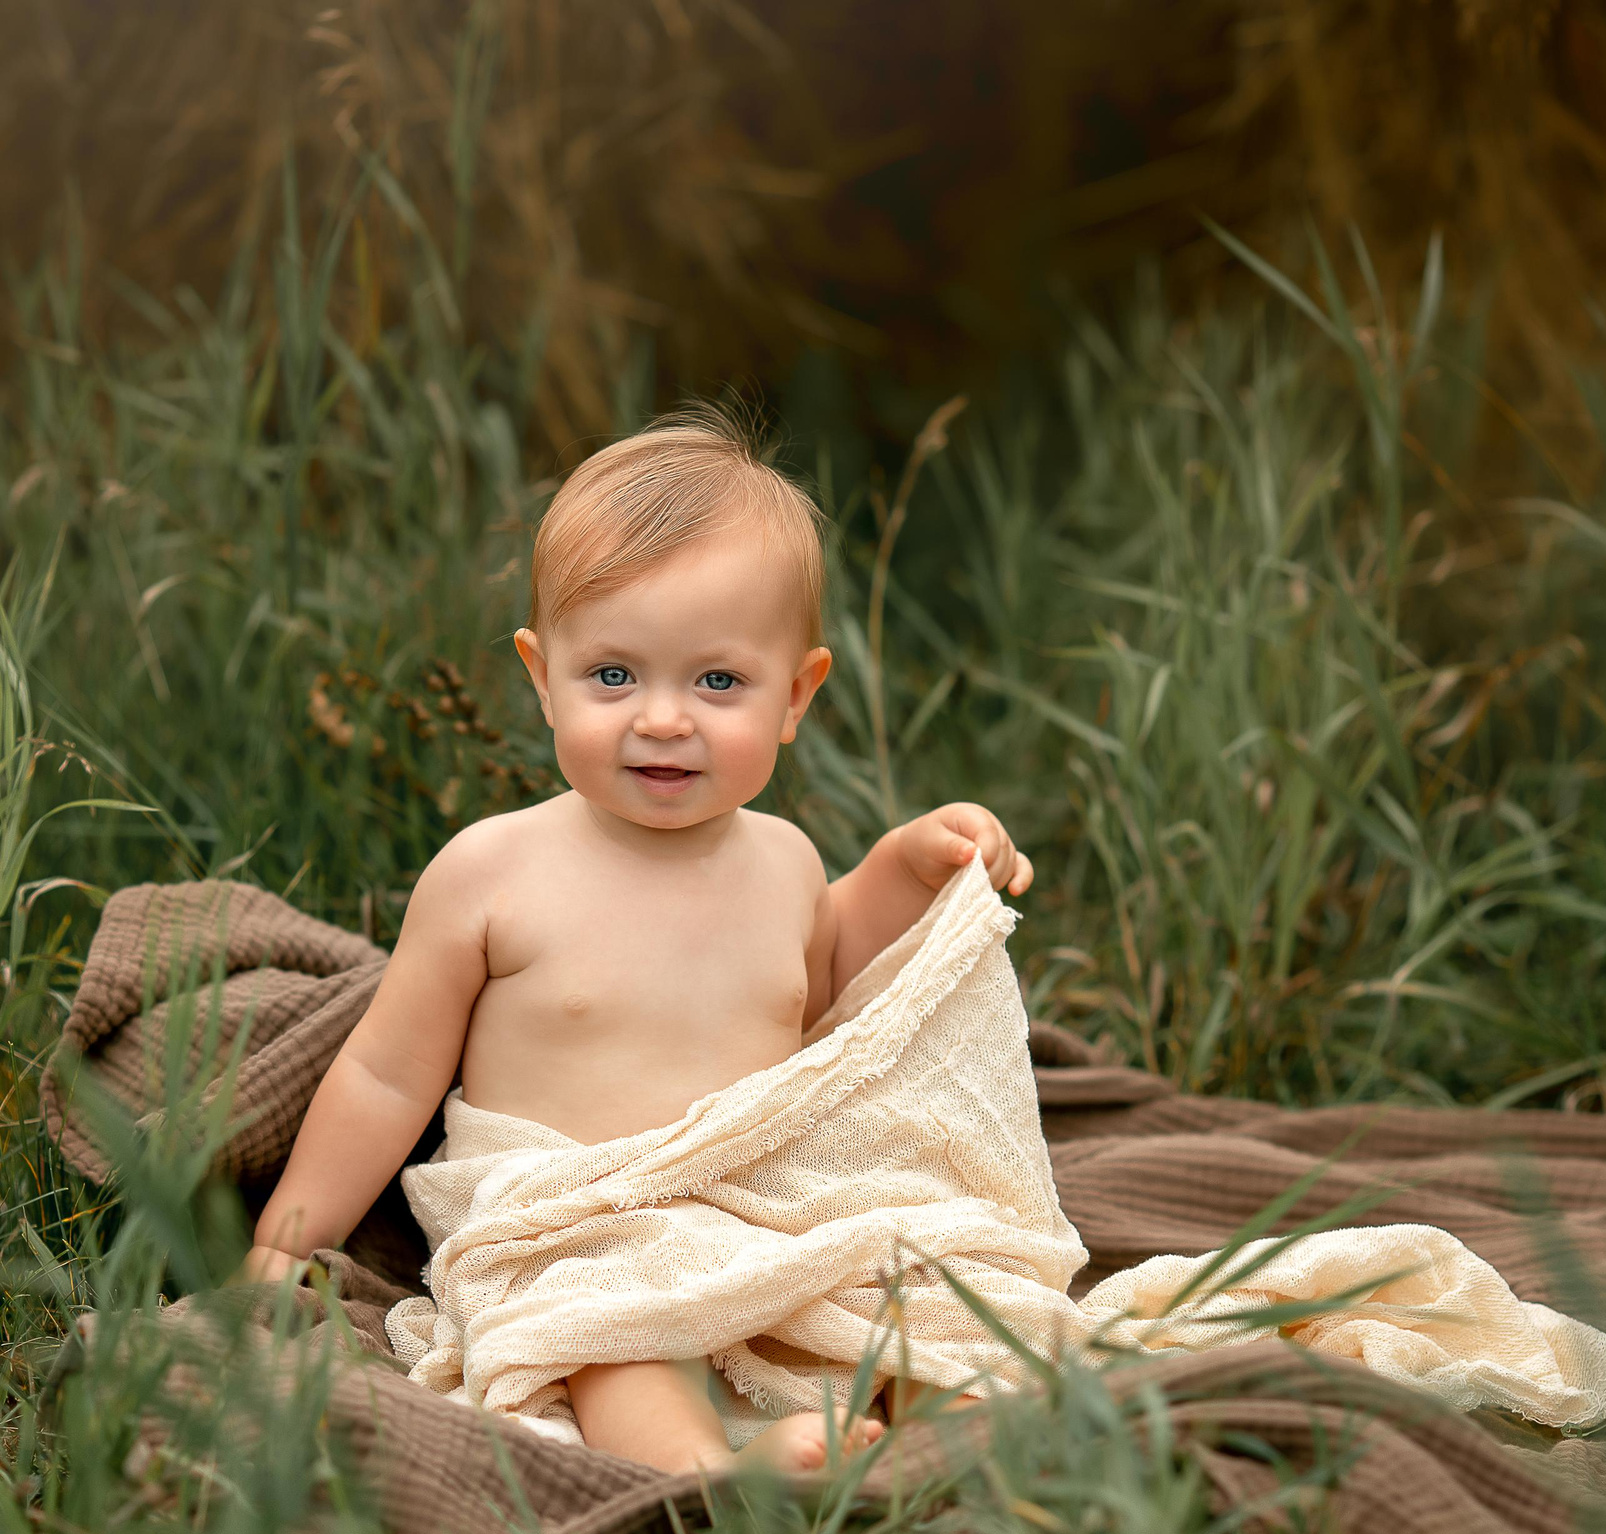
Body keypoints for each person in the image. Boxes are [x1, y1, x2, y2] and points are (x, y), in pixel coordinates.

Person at [237, 405, 1031, 1476]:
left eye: (717, 682)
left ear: (796, 696)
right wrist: (288, 1240)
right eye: (613, 676)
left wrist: (909, 866)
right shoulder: (492, 872)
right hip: (576, 1220)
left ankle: (941, 1437)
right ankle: (708, 1472)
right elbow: (385, 1074)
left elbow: (837, 986)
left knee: (918, 1288)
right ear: (540, 674)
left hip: (755, 1207)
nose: (663, 719)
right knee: (614, 1338)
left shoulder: (786, 861)